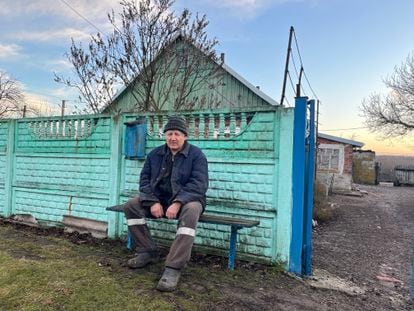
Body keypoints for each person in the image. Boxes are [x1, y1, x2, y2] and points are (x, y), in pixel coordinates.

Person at [123, 115, 208, 292]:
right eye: (169, 133)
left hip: (188, 201)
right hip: (160, 201)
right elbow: (144, 181)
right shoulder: (155, 154)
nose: (173, 138)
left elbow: (199, 185)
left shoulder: (197, 156)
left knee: (192, 211)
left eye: (177, 133)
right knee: (131, 205)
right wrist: (153, 201)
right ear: (165, 136)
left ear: (185, 136)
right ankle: (147, 251)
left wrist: (178, 202)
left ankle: (173, 267)